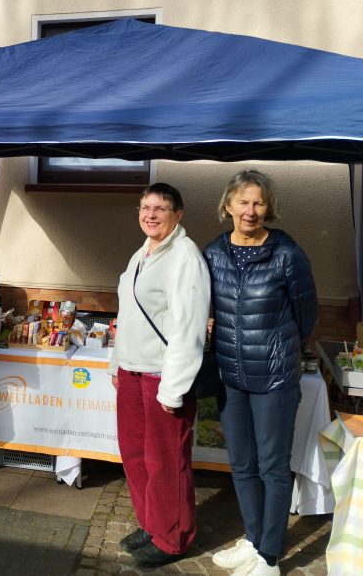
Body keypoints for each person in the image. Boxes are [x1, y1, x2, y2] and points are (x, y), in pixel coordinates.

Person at [204, 170, 317, 576]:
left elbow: (308, 315)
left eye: (258, 203)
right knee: (242, 465)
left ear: (268, 207)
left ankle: (269, 556)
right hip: (231, 378)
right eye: (243, 202)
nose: (250, 211)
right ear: (228, 206)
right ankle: (253, 539)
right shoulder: (213, 253)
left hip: (273, 380)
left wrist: (280, 352)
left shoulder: (287, 253)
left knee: (272, 466)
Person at [110, 183, 210, 568]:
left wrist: (174, 389)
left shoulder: (184, 256)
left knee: (166, 462)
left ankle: (173, 538)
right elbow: (130, 315)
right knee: (136, 457)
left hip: (161, 377)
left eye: (160, 209)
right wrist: (117, 363)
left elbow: (189, 327)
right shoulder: (143, 253)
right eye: (145, 207)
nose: (150, 214)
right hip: (133, 372)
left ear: (178, 215)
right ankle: (152, 525)